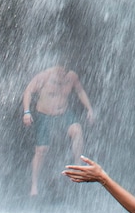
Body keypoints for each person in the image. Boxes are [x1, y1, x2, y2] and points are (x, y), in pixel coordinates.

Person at [22, 65, 94, 196]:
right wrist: (27, 112)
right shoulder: (44, 77)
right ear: (55, 70)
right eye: (59, 72)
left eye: (64, 72)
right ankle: (34, 185)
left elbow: (80, 91)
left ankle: (78, 166)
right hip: (45, 115)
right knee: (41, 150)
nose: (62, 76)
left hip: (63, 113)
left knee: (77, 130)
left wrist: (89, 108)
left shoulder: (71, 77)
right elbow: (28, 91)